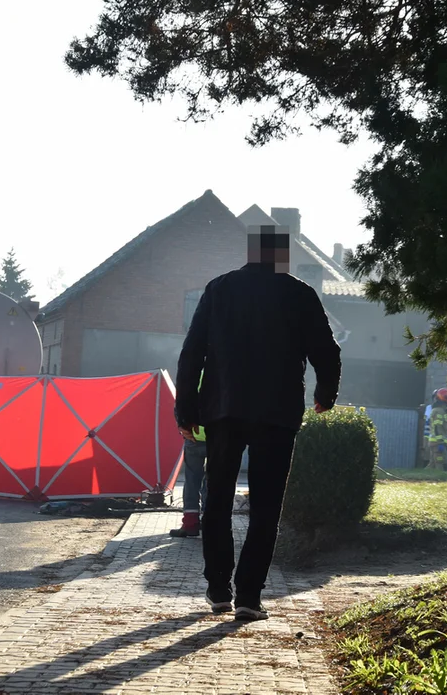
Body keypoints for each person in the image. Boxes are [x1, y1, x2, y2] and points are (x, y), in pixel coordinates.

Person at [175, 225, 342, 621]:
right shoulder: (300, 293)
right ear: (282, 254)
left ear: (250, 251)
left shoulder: (219, 289)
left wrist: (187, 411)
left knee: (216, 500)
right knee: (266, 505)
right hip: (277, 414)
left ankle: (218, 589)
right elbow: (327, 350)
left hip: (224, 409)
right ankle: (249, 596)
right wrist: (325, 394)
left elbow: (192, 353)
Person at [170, 369, 209, 538]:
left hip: (194, 435)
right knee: (212, 482)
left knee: (192, 480)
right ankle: (210, 523)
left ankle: (190, 523)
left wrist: (182, 424)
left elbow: (182, 400)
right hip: (218, 437)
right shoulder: (227, 372)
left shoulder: (196, 372)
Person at [426, 388, 447, 471]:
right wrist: (441, 442)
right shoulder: (438, 411)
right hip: (437, 441)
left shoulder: (442, 410)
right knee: (439, 462)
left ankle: (425, 476)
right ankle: (440, 478)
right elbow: (437, 427)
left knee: (432, 463)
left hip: (437, 440)